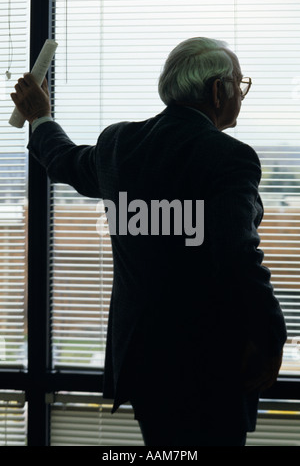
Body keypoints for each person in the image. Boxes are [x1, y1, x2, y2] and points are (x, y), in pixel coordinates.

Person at [11, 37, 287, 447]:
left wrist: (41, 117)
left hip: (142, 365)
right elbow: (237, 257)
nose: (241, 95)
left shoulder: (119, 145)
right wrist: (272, 337)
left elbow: (64, 160)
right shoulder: (230, 157)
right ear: (217, 91)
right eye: (238, 84)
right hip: (209, 369)